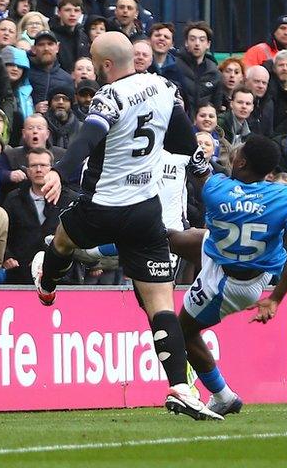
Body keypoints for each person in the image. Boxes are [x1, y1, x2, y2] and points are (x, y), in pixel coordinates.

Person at [33, 31, 219, 420]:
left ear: (104, 66)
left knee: (62, 241)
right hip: (145, 213)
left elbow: (87, 138)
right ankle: (181, 387)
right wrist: (201, 164)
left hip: (101, 206)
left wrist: (58, 172)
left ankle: (48, 284)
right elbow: (185, 142)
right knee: (161, 306)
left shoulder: (109, 96)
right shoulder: (164, 87)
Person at [168, 135, 287, 416]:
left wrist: (193, 152)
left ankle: (223, 395)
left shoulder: (218, 189)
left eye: (238, 152)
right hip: (252, 271)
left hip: (228, 282)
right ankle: (99, 248)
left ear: (241, 162)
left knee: (182, 332)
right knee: (168, 238)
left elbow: (201, 173)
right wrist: (276, 299)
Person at [1, 148, 76, 285]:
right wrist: (7, 256)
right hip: (20, 277)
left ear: (52, 169)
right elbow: (2, 233)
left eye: (43, 165)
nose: (39, 169)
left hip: (62, 277)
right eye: (34, 165)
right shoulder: (13, 199)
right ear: (27, 171)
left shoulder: (69, 199)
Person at [243, 14, 287, 79]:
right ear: (274, 31)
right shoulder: (256, 50)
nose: (286, 32)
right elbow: (247, 78)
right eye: (282, 28)